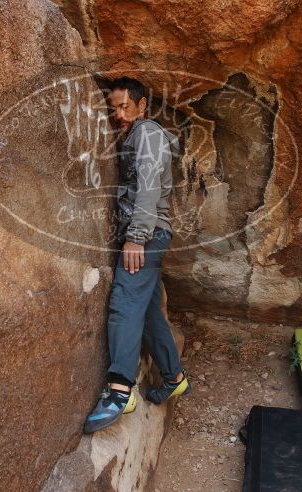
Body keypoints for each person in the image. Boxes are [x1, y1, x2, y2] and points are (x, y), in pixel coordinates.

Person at [83, 77, 190, 434]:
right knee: (145, 310)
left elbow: (149, 186)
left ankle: (119, 391)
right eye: (113, 108)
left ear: (142, 106)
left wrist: (136, 238)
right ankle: (173, 376)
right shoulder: (135, 134)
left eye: (125, 106)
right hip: (148, 233)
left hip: (148, 233)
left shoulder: (147, 133)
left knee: (124, 301)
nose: (118, 114)